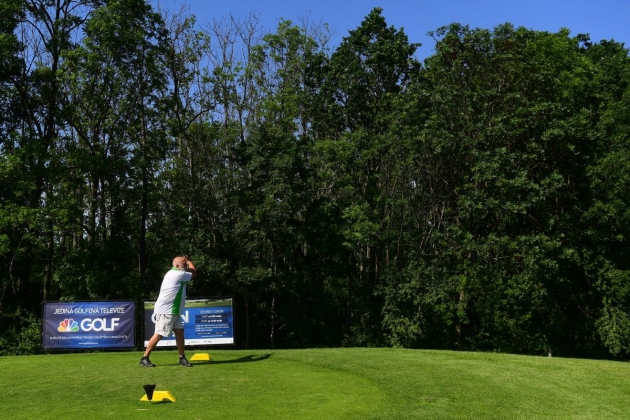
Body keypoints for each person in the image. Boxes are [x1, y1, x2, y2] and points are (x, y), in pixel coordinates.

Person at [140, 255, 197, 368]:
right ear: (177, 265)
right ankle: (144, 358)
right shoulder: (178, 274)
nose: (186, 266)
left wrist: (187, 263)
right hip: (167, 310)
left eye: (186, 264)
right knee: (159, 334)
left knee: (179, 332)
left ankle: (182, 358)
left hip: (173, 310)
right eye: (184, 264)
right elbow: (194, 274)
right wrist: (190, 261)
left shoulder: (176, 273)